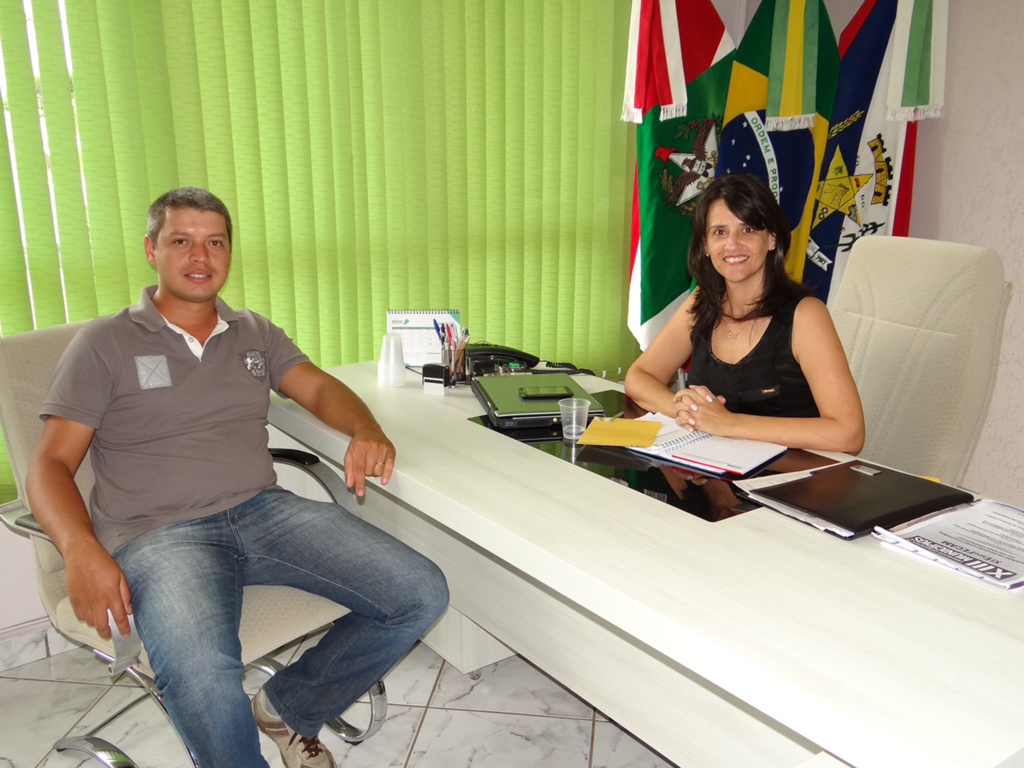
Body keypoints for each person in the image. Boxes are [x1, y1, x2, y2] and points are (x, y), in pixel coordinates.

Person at [25, 187, 449, 768]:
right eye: (182, 241)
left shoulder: (253, 331)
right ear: (152, 250)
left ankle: (287, 708)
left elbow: (318, 386)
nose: (200, 256)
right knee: (201, 671)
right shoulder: (105, 343)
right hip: (158, 535)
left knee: (420, 592)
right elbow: (49, 465)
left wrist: (365, 429)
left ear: (228, 253)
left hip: (262, 511)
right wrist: (78, 549)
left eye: (214, 242)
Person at [625, 173, 865, 453]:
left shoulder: (806, 315)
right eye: (719, 232)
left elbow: (849, 434)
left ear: (772, 239)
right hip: (714, 473)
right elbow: (639, 377)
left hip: (787, 484)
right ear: (705, 245)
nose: (732, 244)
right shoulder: (701, 302)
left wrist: (727, 423)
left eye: (748, 229)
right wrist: (689, 411)